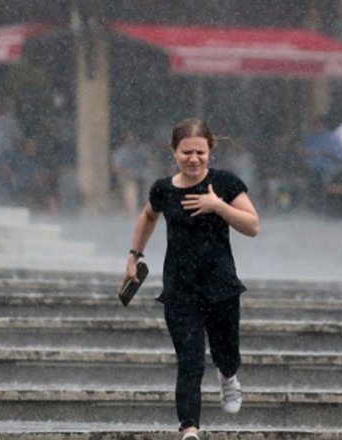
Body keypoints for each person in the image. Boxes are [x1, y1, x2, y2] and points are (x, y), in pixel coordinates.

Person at [123, 118, 260, 440]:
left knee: (227, 351)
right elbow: (147, 216)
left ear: (210, 150)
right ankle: (189, 429)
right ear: (174, 152)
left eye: (200, 151)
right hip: (180, 289)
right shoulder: (163, 189)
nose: (193, 158)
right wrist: (133, 256)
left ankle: (228, 376)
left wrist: (217, 205)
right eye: (187, 152)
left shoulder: (225, 184)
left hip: (221, 285)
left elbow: (253, 226)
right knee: (190, 361)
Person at [111, 130, 150, 214]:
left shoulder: (140, 150)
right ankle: (132, 209)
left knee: (151, 180)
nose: (131, 141)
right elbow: (116, 168)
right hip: (127, 176)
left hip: (141, 174)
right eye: (129, 139)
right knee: (131, 188)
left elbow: (150, 161)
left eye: (133, 138)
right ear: (124, 140)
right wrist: (127, 174)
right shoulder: (121, 153)